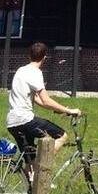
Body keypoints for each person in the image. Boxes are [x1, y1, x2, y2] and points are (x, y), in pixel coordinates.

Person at [7, 42, 82, 178]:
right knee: (62, 136)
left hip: (12, 122)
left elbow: (36, 99)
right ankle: (41, 175)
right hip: (25, 120)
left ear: (29, 56)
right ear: (44, 57)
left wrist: (61, 109)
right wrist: (70, 111)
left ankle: (31, 183)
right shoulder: (35, 73)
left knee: (30, 161)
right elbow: (46, 100)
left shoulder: (21, 70)